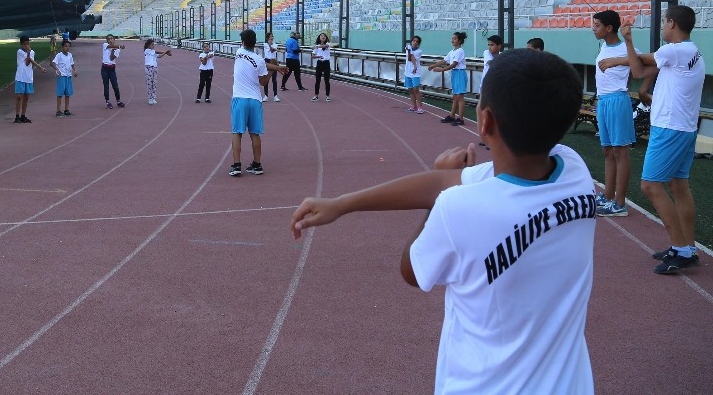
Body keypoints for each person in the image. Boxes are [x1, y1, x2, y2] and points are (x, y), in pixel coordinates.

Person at [291, 48, 595, 393]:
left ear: (485, 121)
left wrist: (438, 204)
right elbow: (442, 182)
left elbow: (412, 269)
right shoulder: (573, 170)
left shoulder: (459, 209)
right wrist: (342, 204)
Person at [621, 5, 706, 274]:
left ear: (671, 23)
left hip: (669, 128)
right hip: (684, 128)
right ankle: (688, 246)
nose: (662, 28)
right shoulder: (692, 52)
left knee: (650, 186)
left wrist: (628, 41)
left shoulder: (672, 51)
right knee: (679, 185)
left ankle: (681, 249)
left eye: (664, 23)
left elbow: (636, 69)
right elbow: (643, 68)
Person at [592, 10, 640, 217]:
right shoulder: (603, 46)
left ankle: (620, 203)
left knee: (620, 152)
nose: (593, 28)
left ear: (609, 28)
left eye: (597, 25)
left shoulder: (626, 49)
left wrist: (643, 90)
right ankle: (608, 195)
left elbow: (648, 65)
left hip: (618, 100)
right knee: (608, 152)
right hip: (603, 101)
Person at [229, 29, 289, 176]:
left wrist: (275, 67)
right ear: (255, 43)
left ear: (243, 42)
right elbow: (263, 82)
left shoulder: (238, 52)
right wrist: (274, 69)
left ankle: (237, 166)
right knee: (255, 133)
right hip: (255, 100)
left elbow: (256, 63)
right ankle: (257, 164)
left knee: (237, 132)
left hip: (239, 98)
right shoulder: (259, 60)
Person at [428, 31, 468, 126]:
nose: (452, 40)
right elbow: (444, 60)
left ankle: (461, 119)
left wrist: (441, 70)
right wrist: (433, 65)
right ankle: (452, 116)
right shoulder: (452, 51)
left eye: (454, 38)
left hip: (460, 74)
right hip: (454, 74)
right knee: (455, 97)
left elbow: (454, 64)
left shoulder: (460, 51)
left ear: (460, 40)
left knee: (460, 97)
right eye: (452, 38)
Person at [14, 36, 48, 123]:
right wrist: (40, 67)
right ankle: (17, 116)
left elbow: (29, 62)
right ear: (21, 44)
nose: (26, 45)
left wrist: (29, 52)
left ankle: (23, 115)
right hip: (20, 76)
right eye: (24, 44)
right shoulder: (19, 52)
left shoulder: (32, 52)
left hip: (28, 77)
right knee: (19, 97)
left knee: (26, 97)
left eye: (28, 43)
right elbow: (27, 61)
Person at [52, 40, 78, 116]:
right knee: (60, 94)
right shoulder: (59, 55)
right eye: (66, 46)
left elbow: (72, 64)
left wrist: (74, 70)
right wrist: (57, 69)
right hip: (62, 76)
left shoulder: (70, 55)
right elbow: (53, 63)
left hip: (68, 76)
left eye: (68, 46)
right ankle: (58, 110)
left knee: (67, 94)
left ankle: (66, 109)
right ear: (62, 47)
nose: (67, 48)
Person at [143, 38, 172, 105]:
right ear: (148, 45)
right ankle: (150, 98)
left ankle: (153, 98)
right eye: (152, 44)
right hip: (149, 68)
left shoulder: (153, 52)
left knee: (154, 83)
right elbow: (157, 52)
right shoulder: (147, 50)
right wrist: (166, 52)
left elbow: (159, 56)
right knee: (149, 83)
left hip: (154, 68)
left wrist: (165, 53)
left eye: (154, 44)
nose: (153, 46)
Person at [101, 34, 126, 109]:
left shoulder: (117, 49)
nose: (110, 40)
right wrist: (119, 46)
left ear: (114, 39)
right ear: (107, 41)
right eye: (108, 39)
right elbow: (111, 46)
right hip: (104, 68)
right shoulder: (105, 45)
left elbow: (112, 58)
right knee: (106, 85)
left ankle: (118, 101)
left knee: (115, 86)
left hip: (112, 69)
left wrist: (113, 51)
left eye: (111, 38)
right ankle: (107, 101)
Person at [404, 35, 424, 114]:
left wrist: (409, 50)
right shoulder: (408, 48)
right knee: (410, 90)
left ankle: (420, 107)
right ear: (411, 41)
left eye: (416, 41)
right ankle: (413, 106)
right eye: (413, 41)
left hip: (416, 72)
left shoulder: (419, 51)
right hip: (408, 72)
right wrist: (408, 49)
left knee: (416, 89)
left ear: (418, 43)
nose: (415, 42)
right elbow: (408, 58)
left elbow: (411, 58)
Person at [311, 32, 332, 102]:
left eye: (324, 36)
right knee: (317, 80)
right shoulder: (317, 46)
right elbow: (312, 56)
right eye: (321, 36)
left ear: (326, 38)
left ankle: (327, 96)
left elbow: (325, 46)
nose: (323, 37)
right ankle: (316, 95)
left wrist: (317, 46)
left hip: (326, 63)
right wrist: (318, 56)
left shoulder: (328, 44)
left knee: (326, 80)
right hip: (319, 63)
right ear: (319, 38)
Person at [262, 32, 280, 102]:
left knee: (274, 79)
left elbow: (273, 50)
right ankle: (266, 95)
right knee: (266, 78)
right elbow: (271, 49)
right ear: (267, 38)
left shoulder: (275, 44)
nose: (272, 37)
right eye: (270, 36)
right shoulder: (265, 44)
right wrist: (269, 45)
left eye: (272, 36)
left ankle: (275, 96)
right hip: (267, 61)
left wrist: (274, 48)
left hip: (273, 61)